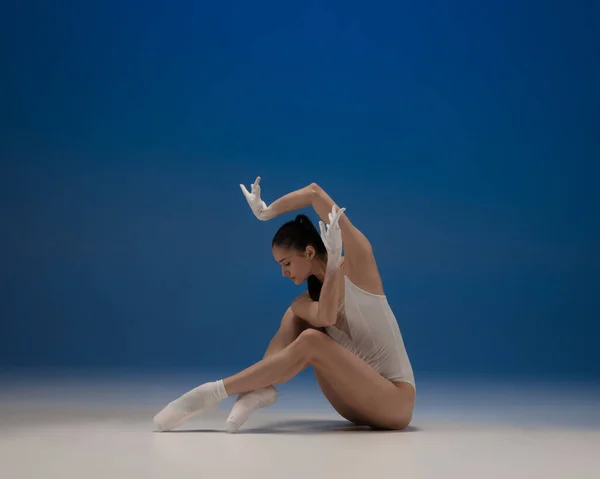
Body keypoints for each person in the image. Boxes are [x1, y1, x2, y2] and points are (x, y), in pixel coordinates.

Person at [153, 177, 416, 432]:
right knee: (296, 317)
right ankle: (260, 389)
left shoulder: (359, 262)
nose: (284, 273)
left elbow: (314, 193)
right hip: (354, 406)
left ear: (310, 252)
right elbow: (325, 315)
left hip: (394, 402)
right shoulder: (304, 301)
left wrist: (270, 211)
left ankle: (213, 392)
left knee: (313, 339)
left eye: (286, 263)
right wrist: (331, 263)